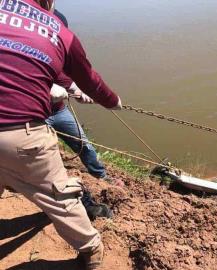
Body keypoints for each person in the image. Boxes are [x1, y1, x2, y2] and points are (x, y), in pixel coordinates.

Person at [0, 0, 122, 269]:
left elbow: (59, 70)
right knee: (60, 196)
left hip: (51, 111)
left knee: (83, 144)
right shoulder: (58, 30)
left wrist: (73, 89)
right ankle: (92, 251)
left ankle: (101, 174)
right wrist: (111, 101)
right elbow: (92, 79)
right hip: (25, 130)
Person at [48, 9, 124, 187]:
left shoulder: (58, 49)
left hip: (58, 110)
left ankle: (101, 176)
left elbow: (65, 75)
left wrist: (77, 90)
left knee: (84, 144)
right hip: (32, 115)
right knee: (43, 154)